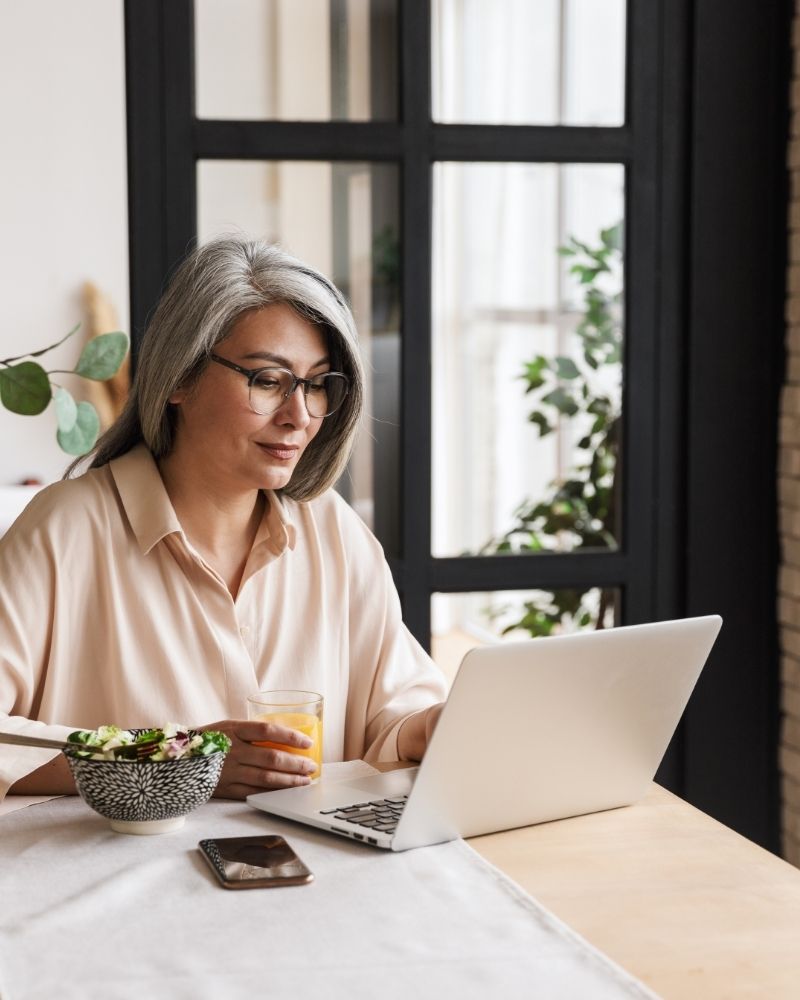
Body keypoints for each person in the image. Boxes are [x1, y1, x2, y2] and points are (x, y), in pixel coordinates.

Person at [0, 236, 446, 801]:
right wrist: (177, 758)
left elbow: (394, 711)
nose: (299, 416)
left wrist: (428, 729)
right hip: (124, 882)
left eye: (316, 385)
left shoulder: (333, 531)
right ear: (180, 377)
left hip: (316, 876)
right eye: (267, 380)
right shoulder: (63, 530)